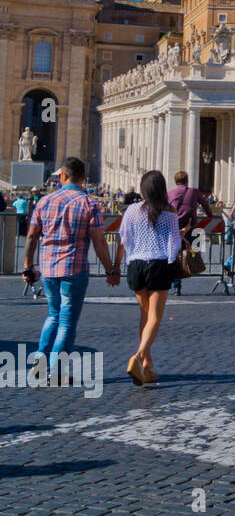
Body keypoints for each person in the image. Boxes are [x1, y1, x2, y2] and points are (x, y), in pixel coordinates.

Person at [24, 157, 119, 384]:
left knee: (53, 315)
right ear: (84, 178)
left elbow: (31, 236)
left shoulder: (44, 201)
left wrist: (28, 266)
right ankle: (56, 372)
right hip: (74, 269)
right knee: (66, 321)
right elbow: (99, 241)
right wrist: (110, 270)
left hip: (48, 268)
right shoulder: (89, 204)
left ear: (62, 176)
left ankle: (39, 366)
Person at [116, 170, 181, 386]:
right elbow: (174, 244)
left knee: (144, 316)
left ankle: (147, 366)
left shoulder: (132, 210)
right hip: (158, 264)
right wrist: (172, 264)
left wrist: (121, 264)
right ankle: (137, 356)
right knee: (154, 317)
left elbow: (124, 238)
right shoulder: (169, 213)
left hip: (136, 266)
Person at [167, 170, 211, 295]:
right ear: (187, 181)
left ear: (175, 182)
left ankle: (176, 285)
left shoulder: (170, 193)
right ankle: (193, 268)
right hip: (190, 225)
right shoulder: (194, 191)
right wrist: (209, 215)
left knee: (175, 255)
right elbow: (205, 204)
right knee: (193, 251)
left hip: (174, 226)